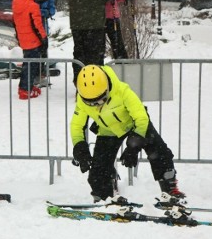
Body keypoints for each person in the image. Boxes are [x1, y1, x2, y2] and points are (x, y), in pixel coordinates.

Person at [70, 64, 186, 203]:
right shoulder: (82, 101)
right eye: (91, 103)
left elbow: (141, 118)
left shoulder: (122, 91)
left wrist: (133, 146)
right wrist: (79, 147)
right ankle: (104, 195)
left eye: (101, 100)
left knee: (159, 152)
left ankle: (170, 188)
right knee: (98, 169)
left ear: (107, 88)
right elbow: (76, 125)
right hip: (108, 130)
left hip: (135, 125)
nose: (97, 105)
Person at [12, 0, 48, 99]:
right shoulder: (32, 6)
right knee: (31, 66)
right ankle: (25, 89)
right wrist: (44, 38)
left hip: (23, 39)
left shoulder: (17, 1)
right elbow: (37, 25)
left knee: (27, 64)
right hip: (33, 40)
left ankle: (25, 87)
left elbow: (16, 22)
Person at [28, 0, 60, 81]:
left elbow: (52, 10)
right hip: (29, 28)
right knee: (31, 52)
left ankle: (41, 74)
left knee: (42, 51)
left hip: (42, 27)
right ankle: (31, 75)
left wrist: (42, 12)